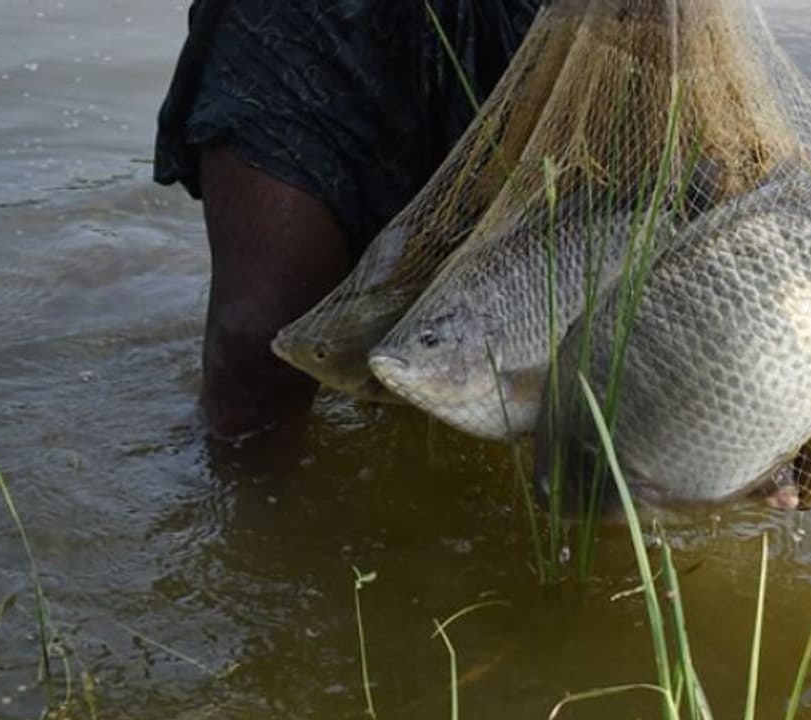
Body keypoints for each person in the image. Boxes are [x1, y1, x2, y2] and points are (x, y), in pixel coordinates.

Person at [153, 0, 541, 440]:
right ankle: (236, 497)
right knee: (259, 347)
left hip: (543, 22)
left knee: (526, 346)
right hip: (306, 18)